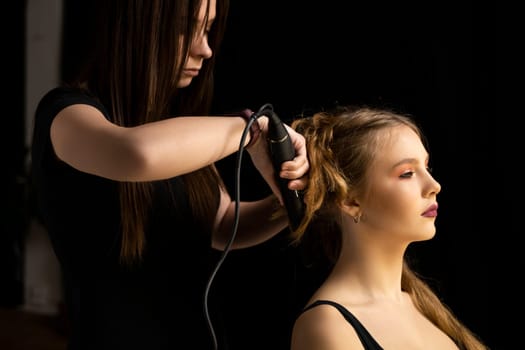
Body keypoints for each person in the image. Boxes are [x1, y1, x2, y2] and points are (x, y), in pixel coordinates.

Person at [29, 1, 309, 349]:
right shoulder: (65, 113)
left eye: (207, 29)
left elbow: (222, 224)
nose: (204, 48)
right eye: (185, 28)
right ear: (137, 27)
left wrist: (293, 196)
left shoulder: (176, 126)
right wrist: (250, 130)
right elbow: (136, 154)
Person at [288, 105, 487, 350]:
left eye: (427, 167)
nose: (434, 185)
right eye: (407, 173)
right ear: (350, 200)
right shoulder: (328, 326)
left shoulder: (421, 305)